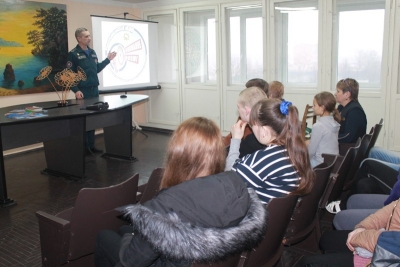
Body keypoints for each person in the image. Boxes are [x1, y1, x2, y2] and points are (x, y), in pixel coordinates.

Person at [94, 117, 268, 267]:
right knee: (125, 229)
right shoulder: (237, 187)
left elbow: (131, 262)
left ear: (178, 156)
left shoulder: (165, 208)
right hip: (199, 258)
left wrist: (129, 239)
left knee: (104, 236)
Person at [225, 98, 315, 204]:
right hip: (280, 217)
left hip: (257, 217)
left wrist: (235, 140)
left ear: (264, 131)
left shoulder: (263, 160)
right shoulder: (296, 151)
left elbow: (228, 184)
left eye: (252, 125)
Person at [300, 198, 400, 267]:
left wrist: (358, 237)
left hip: (388, 257)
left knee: (308, 263)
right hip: (384, 243)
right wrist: (363, 227)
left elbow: (393, 242)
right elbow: (393, 207)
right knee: (328, 239)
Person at [67, 27, 117, 155]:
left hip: (94, 90)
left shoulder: (92, 52)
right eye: (86, 36)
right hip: (83, 91)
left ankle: (91, 145)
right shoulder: (73, 54)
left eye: (89, 36)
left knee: (93, 120)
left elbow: (96, 69)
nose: (89, 38)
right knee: (84, 120)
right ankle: (84, 147)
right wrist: (76, 90)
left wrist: (108, 60)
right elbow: (69, 74)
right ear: (79, 38)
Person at [223, 86, 268, 157]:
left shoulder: (250, 141)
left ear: (247, 111)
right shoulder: (270, 130)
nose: (238, 110)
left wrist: (235, 139)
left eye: (238, 107)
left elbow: (229, 165)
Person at [306, 91, 340, 167]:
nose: (312, 107)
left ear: (322, 108)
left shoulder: (318, 126)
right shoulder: (334, 123)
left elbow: (311, 152)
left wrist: (303, 161)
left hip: (319, 164)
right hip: (332, 163)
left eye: (314, 105)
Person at [334, 78, 367, 144]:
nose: (335, 94)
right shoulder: (342, 107)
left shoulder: (355, 111)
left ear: (347, 94)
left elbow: (348, 136)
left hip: (348, 149)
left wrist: (329, 138)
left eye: (338, 91)